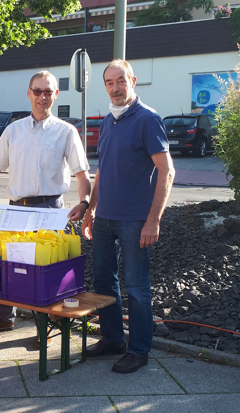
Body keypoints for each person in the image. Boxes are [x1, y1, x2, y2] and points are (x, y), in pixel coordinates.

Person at [0, 70, 91, 348]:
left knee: (44, 269)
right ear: (29, 93)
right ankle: (5, 317)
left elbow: (82, 175)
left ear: (56, 95)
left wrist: (85, 203)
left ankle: (45, 326)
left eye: (47, 91)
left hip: (50, 209)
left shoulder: (66, 132)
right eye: (37, 91)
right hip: (15, 210)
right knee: (10, 264)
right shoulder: (13, 130)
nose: (42, 96)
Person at [82, 59, 175, 374]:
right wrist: (91, 210)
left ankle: (139, 350)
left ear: (132, 80)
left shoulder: (148, 119)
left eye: (120, 80)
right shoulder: (108, 120)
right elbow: (102, 171)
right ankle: (112, 339)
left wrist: (154, 219)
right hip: (104, 219)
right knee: (103, 282)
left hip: (136, 220)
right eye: (109, 83)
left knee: (137, 286)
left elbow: (167, 171)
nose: (115, 87)